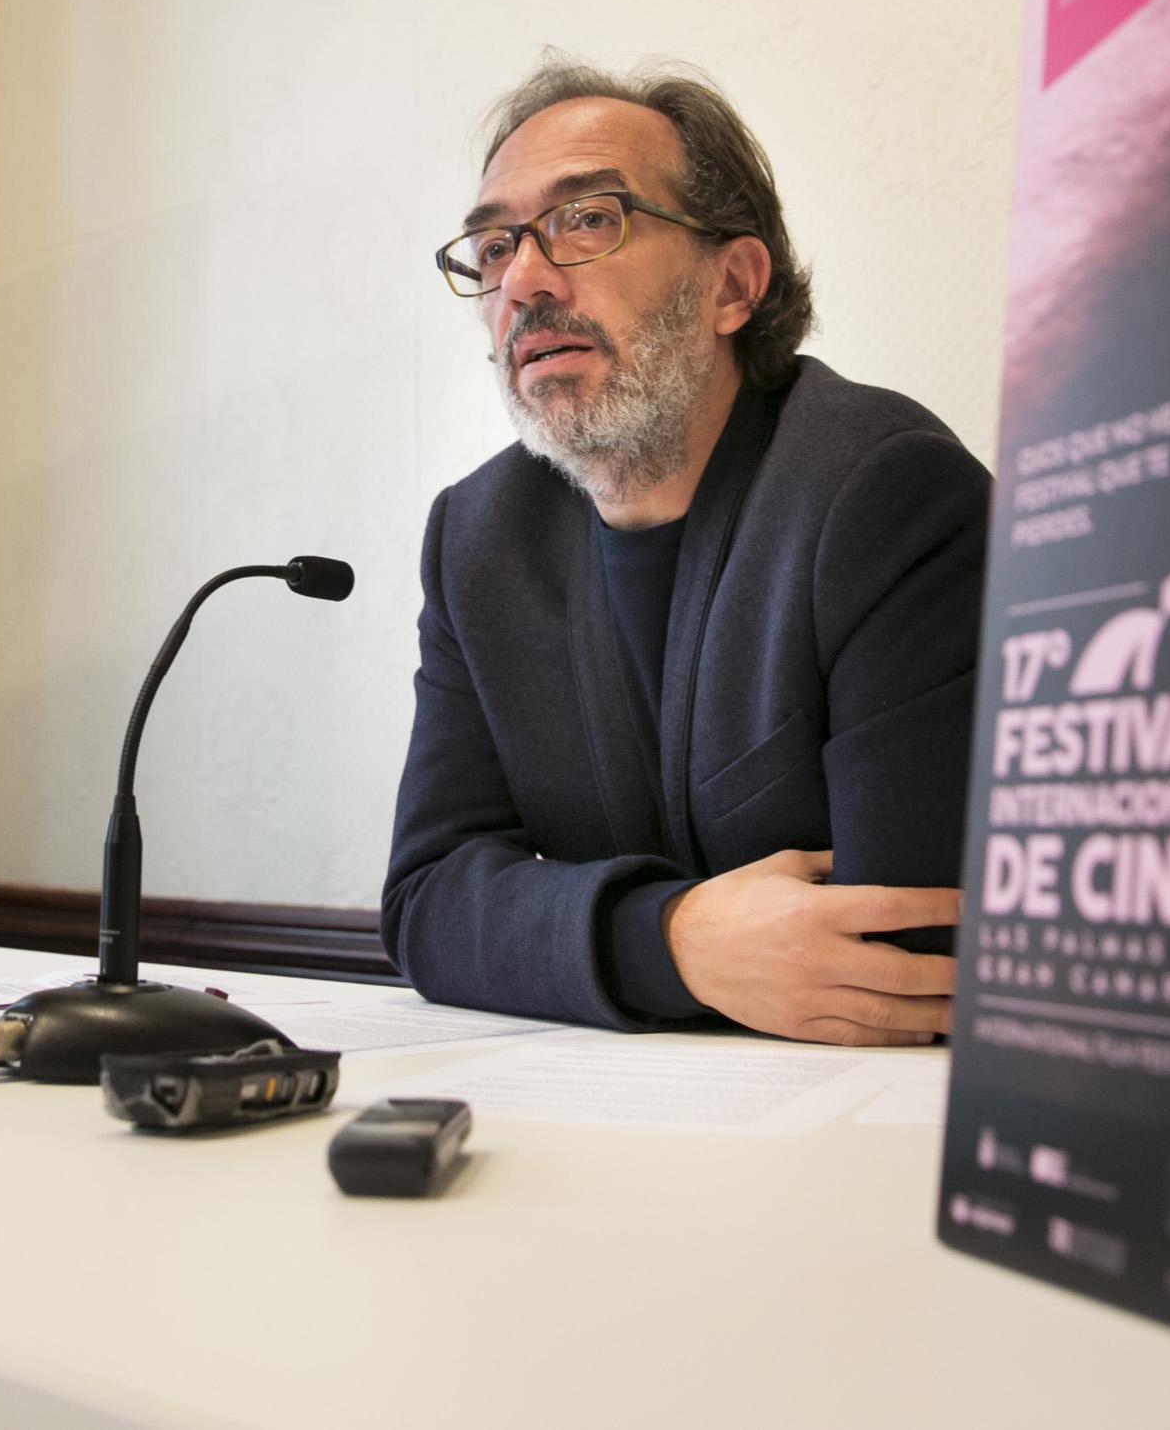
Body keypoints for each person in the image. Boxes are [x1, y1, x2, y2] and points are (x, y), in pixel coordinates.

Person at [380, 61, 990, 1041]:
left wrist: (570, 935)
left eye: (588, 220)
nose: (523, 282)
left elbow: (904, 955)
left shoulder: (886, 494)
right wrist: (670, 941)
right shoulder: (477, 539)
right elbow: (426, 904)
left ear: (733, 284)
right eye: (494, 247)